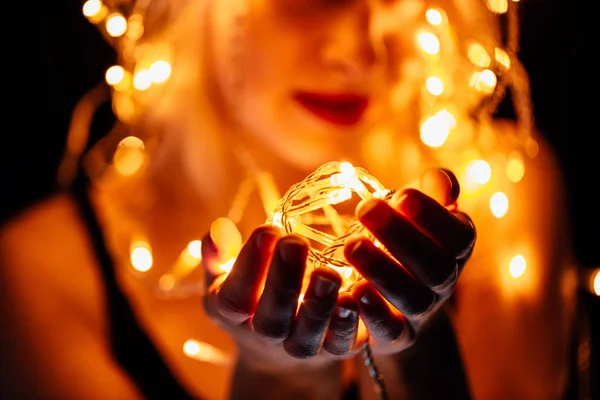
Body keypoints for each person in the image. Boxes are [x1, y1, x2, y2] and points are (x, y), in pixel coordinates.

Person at [0, 0, 577, 399]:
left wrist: (421, 362)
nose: (362, 51)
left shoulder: (504, 186)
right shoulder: (44, 270)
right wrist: (281, 381)